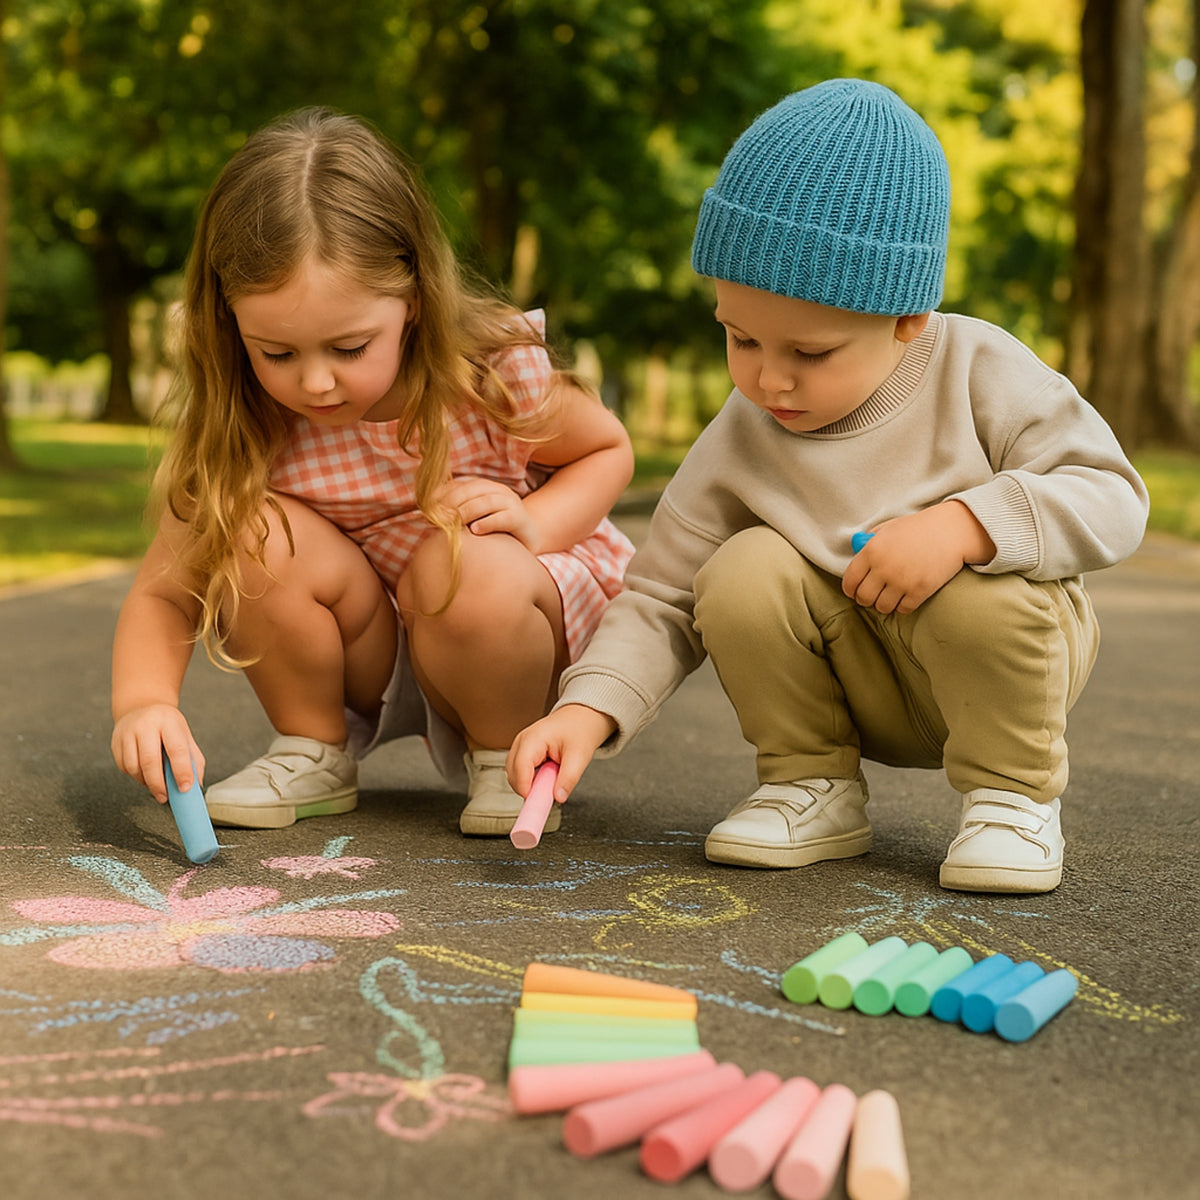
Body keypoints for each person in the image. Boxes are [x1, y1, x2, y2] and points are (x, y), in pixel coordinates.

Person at [509, 79, 1148, 894]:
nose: (770, 380)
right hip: (861, 673)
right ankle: (810, 784)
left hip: (1000, 666)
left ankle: (1011, 798)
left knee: (976, 587)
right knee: (739, 570)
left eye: (810, 353)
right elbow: (662, 593)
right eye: (740, 339)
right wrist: (587, 709)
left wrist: (965, 525)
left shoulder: (980, 369)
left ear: (906, 318)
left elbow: (1113, 494)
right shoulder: (746, 429)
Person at [111, 107, 635, 838]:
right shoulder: (247, 421)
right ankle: (312, 748)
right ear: (231, 324)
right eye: (279, 354)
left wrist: (537, 524)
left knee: (470, 563)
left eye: (350, 348)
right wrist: (145, 703)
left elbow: (606, 449)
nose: (317, 384)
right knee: (250, 531)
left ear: (413, 304)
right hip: (372, 651)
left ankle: (503, 755)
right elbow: (165, 594)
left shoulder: (483, 372)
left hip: (494, 633)